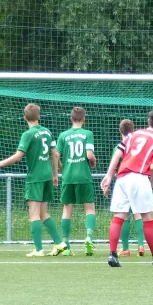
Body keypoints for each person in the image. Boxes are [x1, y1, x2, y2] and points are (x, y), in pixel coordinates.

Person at [0, 103, 67, 257]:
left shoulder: (28, 134)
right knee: (43, 213)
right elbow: (55, 154)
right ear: (39, 116)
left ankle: (38, 249)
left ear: (25, 118)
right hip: (47, 177)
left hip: (35, 178)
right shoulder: (47, 132)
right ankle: (59, 243)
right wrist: (55, 174)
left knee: (34, 214)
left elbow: (17, 157)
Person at [101, 109, 153, 268]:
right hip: (139, 178)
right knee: (148, 217)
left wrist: (108, 176)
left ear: (148, 121)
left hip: (122, 178)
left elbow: (117, 154)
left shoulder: (132, 135)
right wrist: (149, 184)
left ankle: (113, 255)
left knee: (119, 215)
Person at [55, 107, 97, 256]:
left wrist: (59, 170)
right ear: (84, 119)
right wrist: (93, 161)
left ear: (71, 118)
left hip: (68, 177)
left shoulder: (63, 135)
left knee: (67, 210)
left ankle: (66, 245)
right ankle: (89, 237)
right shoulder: (87, 134)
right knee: (89, 209)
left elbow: (55, 155)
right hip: (84, 176)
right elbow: (89, 155)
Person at [114, 119, 146, 258]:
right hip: (138, 180)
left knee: (123, 214)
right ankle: (141, 245)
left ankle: (126, 248)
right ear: (134, 130)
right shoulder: (139, 146)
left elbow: (116, 164)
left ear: (120, 131)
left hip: (123, 181)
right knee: (138, 212)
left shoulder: (119, 147)